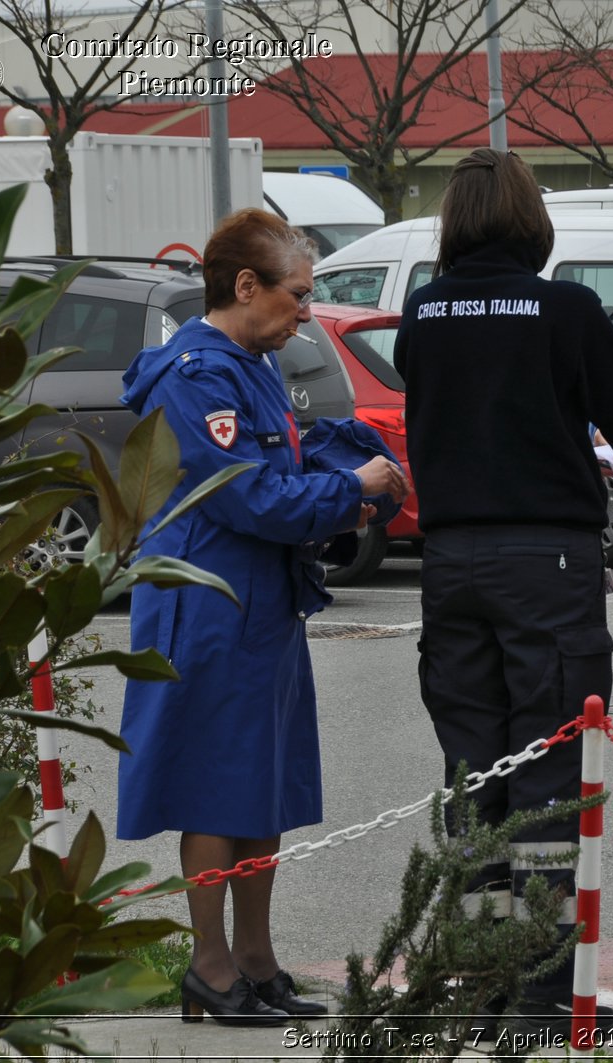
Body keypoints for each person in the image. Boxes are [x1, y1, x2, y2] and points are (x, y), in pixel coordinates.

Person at [393, 148, 613, 1036]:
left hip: (449, 564)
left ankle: (481, 974)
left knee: (474, 768)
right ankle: (543, 983)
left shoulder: (423, 312)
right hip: (545, 563)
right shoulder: (564, 308)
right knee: (550, 767)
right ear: (532, 222)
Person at [118, 208, 410, 1026]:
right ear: (245, 287)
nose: (308, 312)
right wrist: (355, 489)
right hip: (208, 608)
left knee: (261, 791)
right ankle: (211, 969)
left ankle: (255, 961)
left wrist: (348, 455)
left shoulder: (247, 359)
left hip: (257, 607)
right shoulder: (197, 374)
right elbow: (248, 495)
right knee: (215, 793)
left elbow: (284, 454)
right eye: (298, 295)